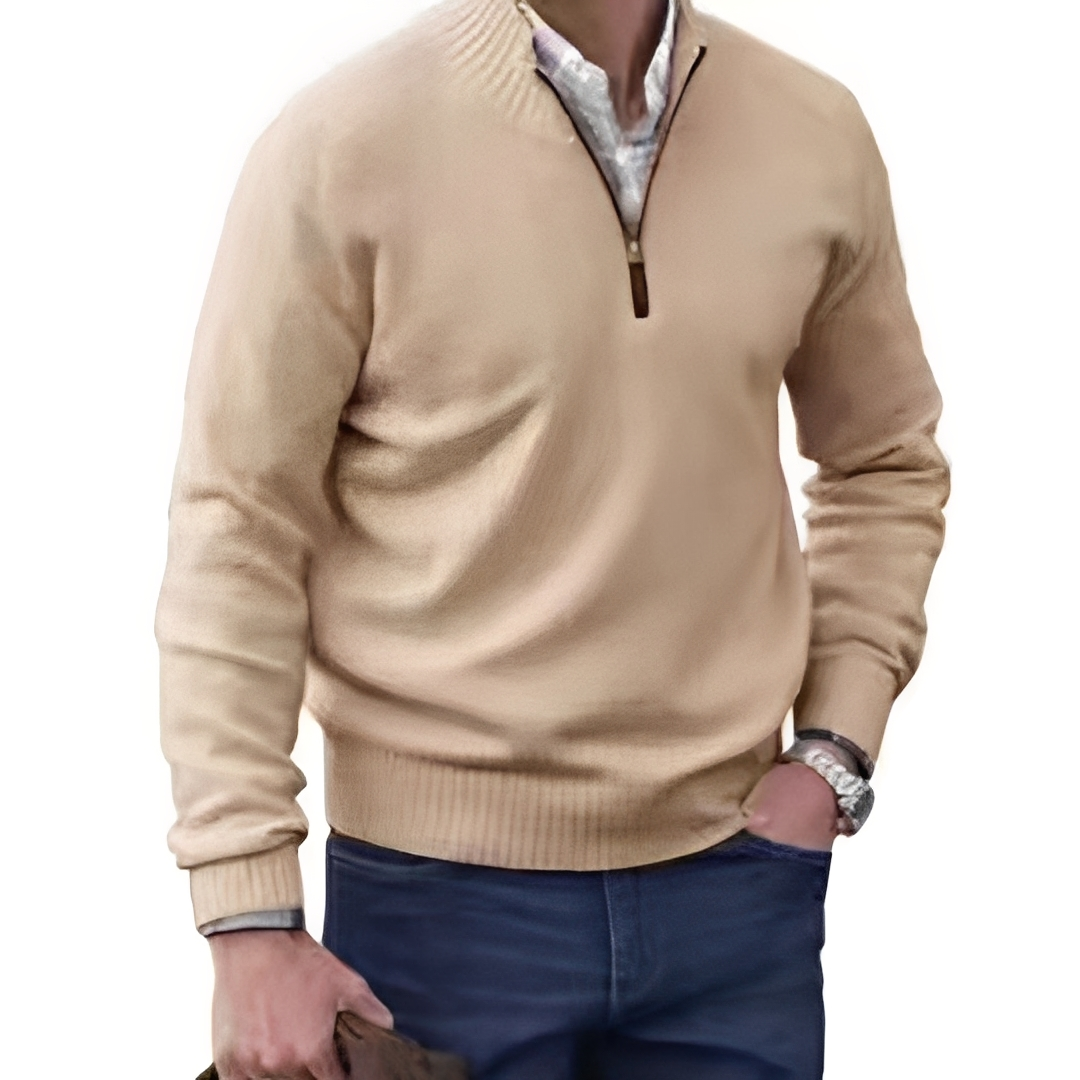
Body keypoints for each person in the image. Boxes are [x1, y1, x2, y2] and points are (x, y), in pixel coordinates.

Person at [157, 0, 948, 1076]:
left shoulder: (815, 131)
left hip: (738, 897)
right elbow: (236, 526)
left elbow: (883, 461)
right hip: (435, 915)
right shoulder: (343, 146)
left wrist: (835, 749)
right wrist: (247, 913)